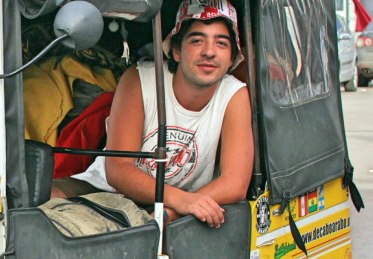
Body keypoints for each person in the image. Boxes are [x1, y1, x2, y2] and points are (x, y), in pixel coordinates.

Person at [50, 0, 253, 229]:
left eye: (222, 43)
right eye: (197, 40)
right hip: (106, 190)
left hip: (178, 202)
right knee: (46, 205)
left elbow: (235, 183)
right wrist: (183, 202)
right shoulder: (140, 79)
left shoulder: (233, 94)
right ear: (176, 51)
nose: (209, 52)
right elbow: (119, 170)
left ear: (231, 58)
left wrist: (177, 210)